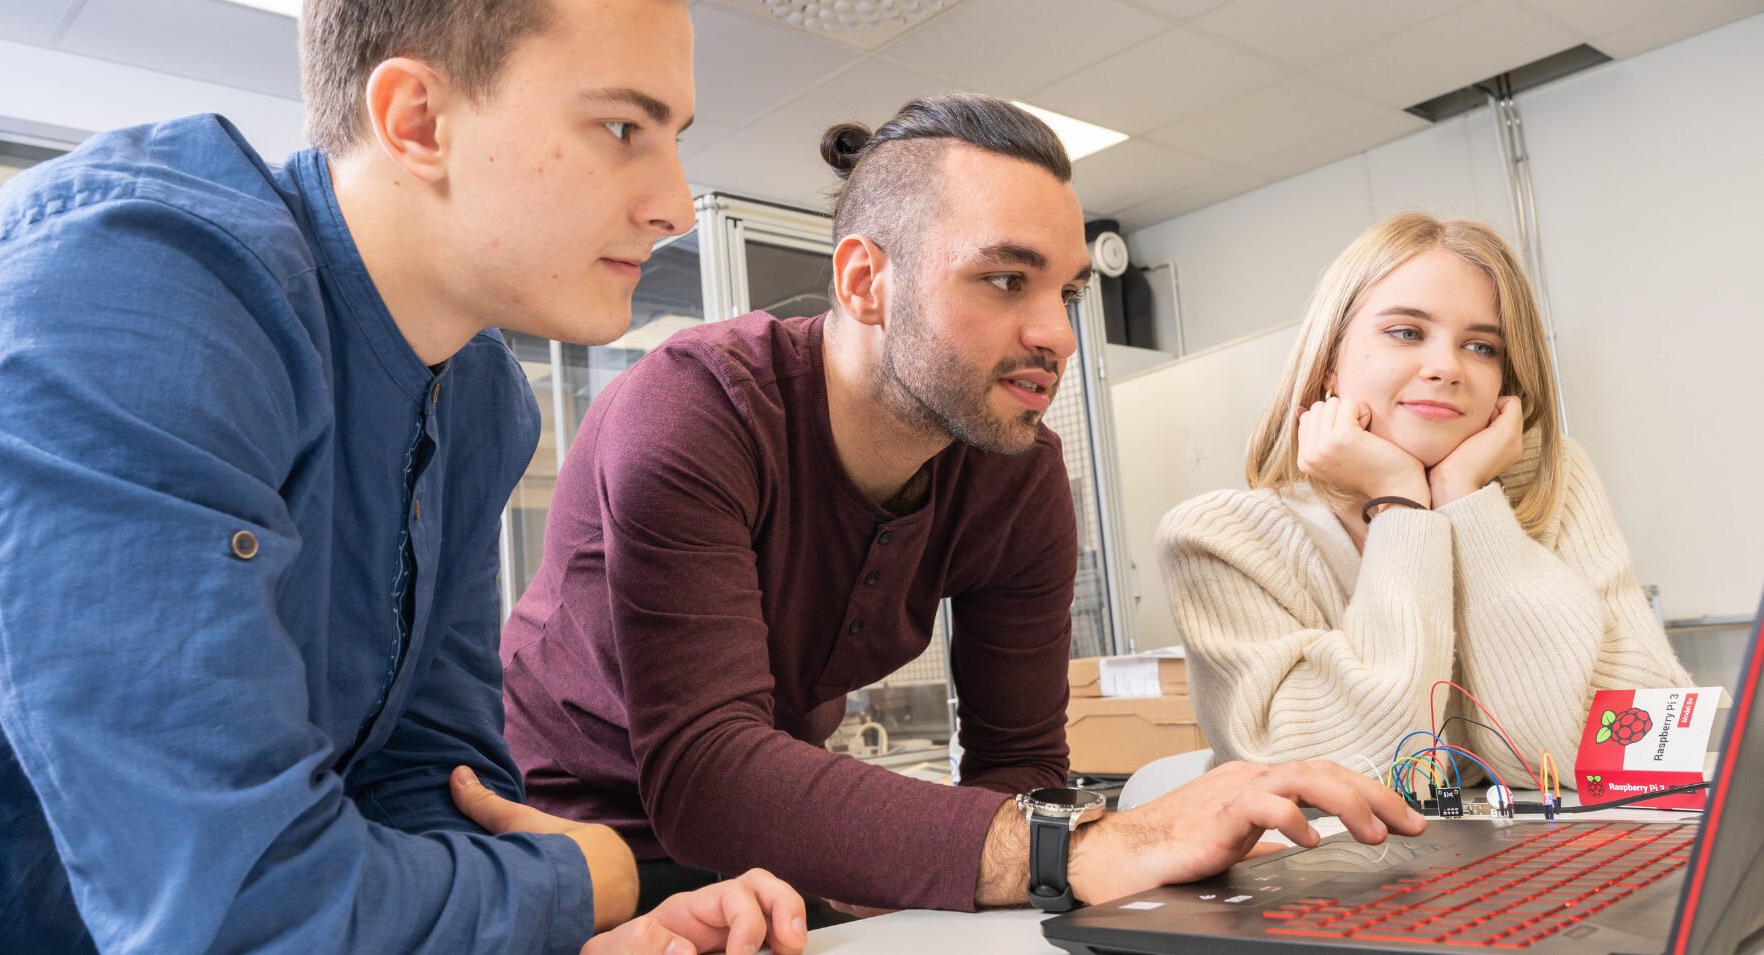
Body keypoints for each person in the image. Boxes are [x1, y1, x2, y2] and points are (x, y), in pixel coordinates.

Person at [0, 0, 808, 952]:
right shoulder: (130, 293)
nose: (675, 207)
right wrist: (580, 880)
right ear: (417, 120)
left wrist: (573, 922)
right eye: (620, 128)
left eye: (674, 139)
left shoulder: (480, 396)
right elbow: (239, 908)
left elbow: (431, 784)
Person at [500, 91, 1425, 917]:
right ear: (866, 282)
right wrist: (1093, 845)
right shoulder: (695, 409)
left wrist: (970, 863)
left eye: (1065, 290)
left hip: (771, 854)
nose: (1053, 334)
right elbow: (705, 772)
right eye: (1003, 279)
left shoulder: (1015, 472)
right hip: (567, 852)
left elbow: (1017, 765)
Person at [1157, 213, 1691, 789]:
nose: (1446, 368)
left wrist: (1467, 504)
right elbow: (1374, 778)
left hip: (1535, 862)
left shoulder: (1554, 487)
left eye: (1481, 346)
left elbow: (1653, 753)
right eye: (1407, 333)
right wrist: (1402, 508)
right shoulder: (1218, 539)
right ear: (1330, 362)